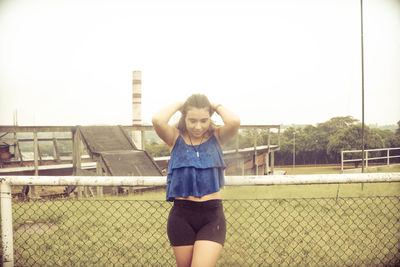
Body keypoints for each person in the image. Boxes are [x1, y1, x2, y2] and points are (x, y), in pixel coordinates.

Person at [152, 94, 240, 267]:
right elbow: (157, 119)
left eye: (204, 120)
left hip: (212, 216)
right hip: (181, 216)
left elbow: (235, 121)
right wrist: (179, 103)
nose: (198, 126)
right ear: (184, 118)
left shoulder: (217, 137)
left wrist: (216, 106)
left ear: (210, 119)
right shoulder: (174, 138)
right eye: (192, 120)